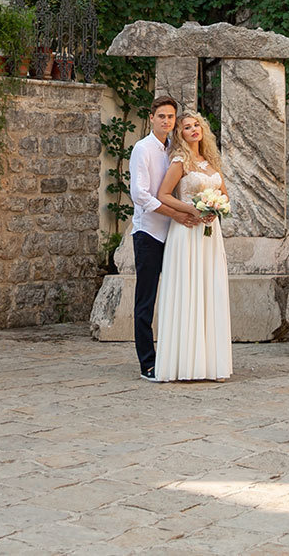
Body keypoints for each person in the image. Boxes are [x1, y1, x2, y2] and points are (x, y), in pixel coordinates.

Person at [153, 109, 232, 382]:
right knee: (188, 291)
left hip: (210, 234)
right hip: (186, 232)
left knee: (211, 291)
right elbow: (162, 195)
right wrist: (192, 208)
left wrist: (216, 208)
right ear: (181, 134)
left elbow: (224, 195)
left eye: (197, 124)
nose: (193, 129)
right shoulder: (179, 161)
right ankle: (185, 363)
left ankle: (212, 365)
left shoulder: (211, 162)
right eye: (187, 127)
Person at [127, 95, 197, 381]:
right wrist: (174, 213)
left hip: (175, 234)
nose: (166, 121)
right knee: (146, 300)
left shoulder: (175, 150)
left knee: (174, 297)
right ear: (152, 117)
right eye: (162, 117)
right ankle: (148, 363)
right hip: (149, 232)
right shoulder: (142, 149)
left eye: (171, 117)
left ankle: (173, 356)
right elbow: (140, 194)